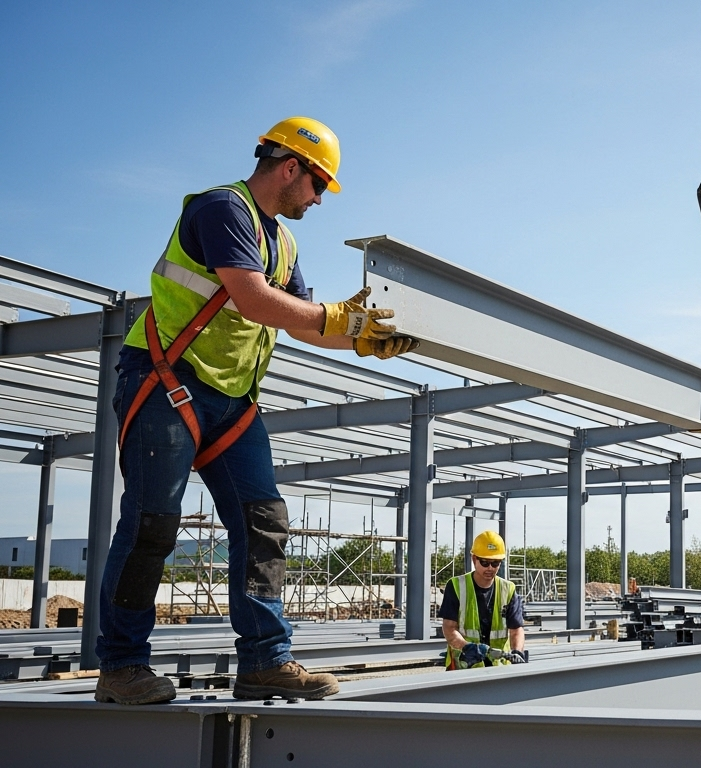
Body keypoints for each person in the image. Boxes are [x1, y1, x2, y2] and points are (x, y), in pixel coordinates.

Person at [94, 117, 420, 705]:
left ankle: (264, 661)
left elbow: (303, 319)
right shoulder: (224, 210)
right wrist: (334, 321)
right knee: (151, 527)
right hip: (168, 379)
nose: (320, 199)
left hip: (232, 403)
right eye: (319, 184)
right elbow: (251, 296)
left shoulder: (284, 242)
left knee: (263, 522)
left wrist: (362, 339)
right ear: (290, 166)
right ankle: (120, 667)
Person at [440, 531, 527, 669]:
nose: (490, 568)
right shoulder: (457, 586)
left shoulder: (508, 589)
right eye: (485, 562)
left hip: (499, 667)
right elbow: (449, 628)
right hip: (465, 667)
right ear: (474, 559)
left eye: (495, 563)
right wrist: (466, 647)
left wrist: (517, 652)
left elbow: (516, 629)